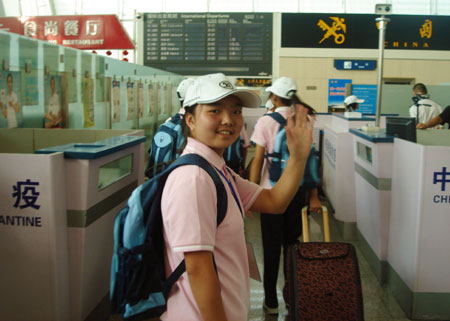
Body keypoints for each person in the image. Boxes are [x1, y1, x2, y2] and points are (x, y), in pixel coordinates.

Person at [159, 73, 313, 321]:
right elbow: (198, 269)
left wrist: (298, 158)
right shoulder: (194, 178)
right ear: (191, 119)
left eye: (236, 111)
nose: (228, 120)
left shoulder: (217, 169)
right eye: (214, 111)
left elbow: (274, 202)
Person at [249, 76, 321, 315]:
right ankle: (293, 295)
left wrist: (251, 195)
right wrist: (313, 196)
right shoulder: (306, 119)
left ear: (274, 97)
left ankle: (271, 301)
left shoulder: (266, 121)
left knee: (270, 247)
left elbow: (258, 160)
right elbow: (311, 160)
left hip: (272, 194)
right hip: (297, 192)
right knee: (292, 245)